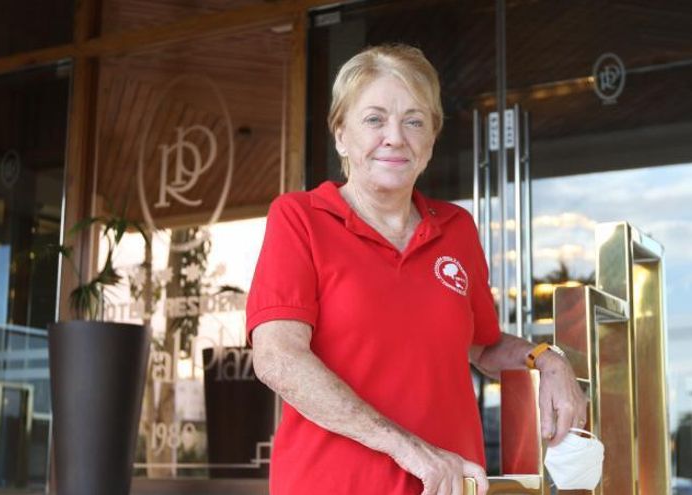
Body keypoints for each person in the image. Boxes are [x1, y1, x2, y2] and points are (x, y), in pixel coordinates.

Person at [246, 44, 587, 495]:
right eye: (374, 119)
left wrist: (548, 360)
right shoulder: (301, 218)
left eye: (414, 120)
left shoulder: (456, 229)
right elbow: (278, 358)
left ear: (430, 140)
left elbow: (482, 348)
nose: (395, 136)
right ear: (340, 135)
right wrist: (409, 450)